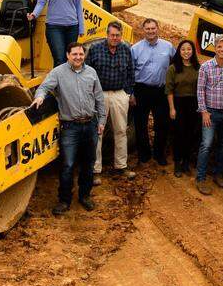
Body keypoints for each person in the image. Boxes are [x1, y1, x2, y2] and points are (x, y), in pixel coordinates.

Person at [32, 41, 106, 214]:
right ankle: (64, 200)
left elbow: (99, 98)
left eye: (81, 54)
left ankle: (84, 196)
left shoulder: (91, 72)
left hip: (90, 124)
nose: (78, 57)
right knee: (68, 164)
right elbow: (44, 87)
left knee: (88, 164)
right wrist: (40, 97)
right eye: (75, 54)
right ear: (67, 55)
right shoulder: (58, 73)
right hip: (70, 127)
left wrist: (101, 121)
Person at [85, 21, 136, 185]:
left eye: (118, 35)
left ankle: (121, 166)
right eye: (112, 35)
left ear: (121, 36)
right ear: (107, 34)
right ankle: (95, 170)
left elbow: (131, 72)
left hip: (119, 94)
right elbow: (87, 72)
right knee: (97, 132)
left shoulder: (126, 49)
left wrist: (128, 92)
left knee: (121, 130)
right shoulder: (95, 49)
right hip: (99, 96)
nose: (115, 38)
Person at [195, 35, 223, 195]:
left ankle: (218, 175)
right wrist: (204, 111)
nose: (222, 50)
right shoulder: (205, 67)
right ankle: (200, 178)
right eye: (219, 47)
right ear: (215, 48)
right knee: (206, 145)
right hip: (210, 114)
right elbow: (200, 90)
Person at [130, 18, 174, 166]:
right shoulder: (135, 49)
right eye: (147, 29)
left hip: (161, 91)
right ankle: (144, 154)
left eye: (153, 28)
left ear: (158, 29)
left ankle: (159, 154)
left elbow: (175, 67)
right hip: (141, 90)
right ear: (143, 30)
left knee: (162, 124)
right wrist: (131, 93)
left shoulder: (168, 47)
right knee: (140, 124)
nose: (150, 31)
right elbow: (130, 72)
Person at [166, 39, 200, 177]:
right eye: (183, 49)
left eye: (189, 49)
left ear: (193, 51)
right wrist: (172, 108)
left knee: (190, 134)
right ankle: (177, 163)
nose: (186, 52)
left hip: (193, 104)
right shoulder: (173, 68)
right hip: (178, 103)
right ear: (179, 51)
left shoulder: (198, 67)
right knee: (179, 134)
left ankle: (186, 162)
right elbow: (169, 90)